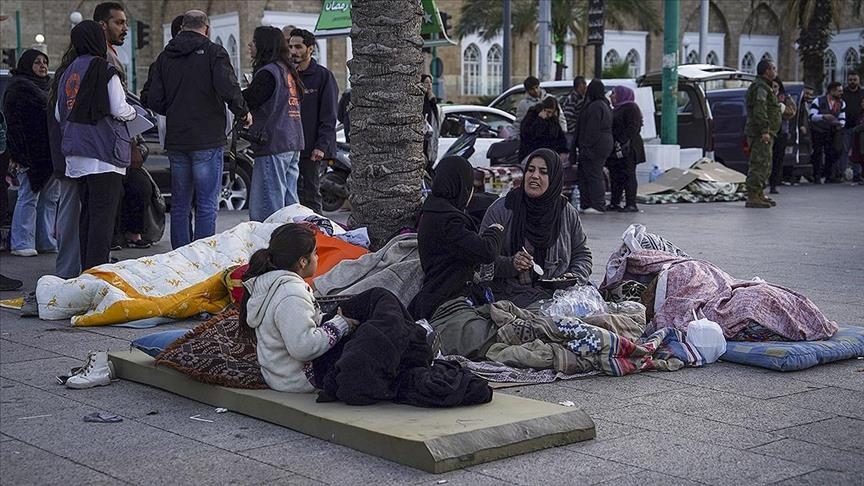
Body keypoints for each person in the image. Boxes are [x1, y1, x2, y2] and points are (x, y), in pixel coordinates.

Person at [144, 10, 251, 249]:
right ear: (207, 28)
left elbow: (153, 98)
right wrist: (243, 112)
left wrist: (175, 107)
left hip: (177, 138)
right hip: (207, 138)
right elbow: (228, 88)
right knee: (206, 203)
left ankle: (181, 255)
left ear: (182, 27)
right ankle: (202, 255)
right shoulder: (214, 52)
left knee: (180, 204)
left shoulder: (165, 57)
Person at [53, 20, 137, 270]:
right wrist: (134, 113)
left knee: (87, 216)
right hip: (103, 154)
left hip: (76, 154)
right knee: (103, 219)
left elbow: (59, 113)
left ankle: (86, 272)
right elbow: (118, 107)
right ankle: (97, 274)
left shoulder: (67, 72)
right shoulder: (104, 68)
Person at [242, 223, 359, 392]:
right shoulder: (291, 294)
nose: (317, 258)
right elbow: (304, 347)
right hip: (297, 379)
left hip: (280, 375)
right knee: (374, 306)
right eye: (315, 253)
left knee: (365, 305)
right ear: (303, 261)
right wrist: (340, 325)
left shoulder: (272, 283)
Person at [479, 148, 592, 308]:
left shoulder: (566, 212)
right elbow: (481, 259)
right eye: (530, 170)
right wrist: (511, 264)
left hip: (557, 296)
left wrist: (574, 277)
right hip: (509, 296)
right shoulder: (502, 209)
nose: (534, 176)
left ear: (554, 178)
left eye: (543, 172)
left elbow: (582, 254)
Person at [408, 156, 504, 320]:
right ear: (462, 186)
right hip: (447, 304)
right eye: (471, 186)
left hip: (441, 296)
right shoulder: (448, 222)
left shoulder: (433, 210)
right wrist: (494, 231)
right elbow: (486, 252)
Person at [243, 26, 305, 222]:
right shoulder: (287, 70)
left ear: (264, 45)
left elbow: (251, 99)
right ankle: (294, 238)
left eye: (254, 41)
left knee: (268, 208)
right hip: (292, 140)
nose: (250, 45)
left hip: (273, 142)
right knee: (290, 205)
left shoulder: (268, 73)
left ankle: (273, 239)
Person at [3, 49, 60, 257]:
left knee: (50, 198)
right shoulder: (19, 88)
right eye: (37, 62)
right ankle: (22, 242)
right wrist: (19, 154)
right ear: (27, 65)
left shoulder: (50, 87)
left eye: (45, 62)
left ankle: (45, 240)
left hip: (50, 152)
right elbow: (14, 125)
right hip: (29, 153)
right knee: (28, 197)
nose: (43, 66)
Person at [288, 28, 338, 214]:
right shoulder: (288, 75)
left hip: (312, 149)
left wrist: (321, 146)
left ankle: (318, 229)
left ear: (310, 49)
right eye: (291, 47)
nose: (293, 51)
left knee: (311, 194)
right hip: (290, 146)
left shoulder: (323, 76)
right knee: (292, 196)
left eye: (298, 47)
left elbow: (329, 115)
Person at [744, 59, 781, 208]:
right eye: (773, 68)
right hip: (760, 133)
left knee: (765, 164)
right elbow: (760, 110)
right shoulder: (760, 87)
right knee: (759, 163)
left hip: (767, 132)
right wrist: (764, 130)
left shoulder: (766, 87)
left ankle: (759, 193)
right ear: (767, 71)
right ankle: (753, 195)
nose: (775, 71)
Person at [574, 79, 614, 214]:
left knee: (592, 174)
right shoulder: (605, 105)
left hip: (594, 146)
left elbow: (592, 129)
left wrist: (584, 146)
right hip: (604, 144)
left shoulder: (595, 107)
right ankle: (591, 203)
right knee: (592, 173)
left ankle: (597, 204)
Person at [607, 85, 645, 212]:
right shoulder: (616, 109)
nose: (611, 96)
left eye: (614, 93)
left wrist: (621, 140)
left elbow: (633, 127)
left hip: (629, 148)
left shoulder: (631, 108)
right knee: (616, 175)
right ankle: (615, 202)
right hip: (617, 148)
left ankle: (631, 203)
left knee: (628, 174)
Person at [809, 81, 846, 184]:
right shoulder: (818, 101)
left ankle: (829, 176)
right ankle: (817, 176)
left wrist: (841, 124)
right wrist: (823, 117)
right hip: (818, 131)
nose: (841, 93)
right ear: (832, 91)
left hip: (832, 131)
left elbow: (842, 117)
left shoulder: (841, 103)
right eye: (839, 91)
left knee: (831, 153)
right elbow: (812, 116)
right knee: (817, 153)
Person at [518, 96, 568, 162]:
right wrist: (540, 120)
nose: (549, 115)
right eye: (548, 112)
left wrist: (563, 150)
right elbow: (530, 135)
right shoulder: (531, 117)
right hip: (532, 152)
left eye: (551, 112)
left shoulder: (553, 120)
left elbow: (560, 137)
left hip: (549, 153)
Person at [768, 79, 796, 194]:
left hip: (781, 131)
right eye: (771, 86)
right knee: (767, 159)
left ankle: (774, 184)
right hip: (768, 131)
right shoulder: (766, 97)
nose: (773, 89)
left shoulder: (785, 97)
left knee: (778, 159)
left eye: (775, 86)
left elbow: (792, 111)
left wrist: (782, 108)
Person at [93, 2, 128, 88]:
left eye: (125, 23)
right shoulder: (106, 57)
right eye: (119, 23)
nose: (125, 28)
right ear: (102, 25)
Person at [842, 72, 862, 183]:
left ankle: (857, 174)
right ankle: (843, 173)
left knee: (857, 151)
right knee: (844, 151)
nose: (852, 82)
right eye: (850, 80)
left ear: (859, 81)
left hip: (859, 128)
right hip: (846, 127)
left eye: (855, 79)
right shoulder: (843, 93)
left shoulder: (862, 93)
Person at [562, 75, 587, 146]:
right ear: (579, 87)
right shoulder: (573, 99)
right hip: (572, 132)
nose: (585, 87)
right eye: (583, 85)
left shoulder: (581, 98)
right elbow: (567, 117)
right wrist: (574, 129)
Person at [421, 74, 440, 167]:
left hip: (431, 137)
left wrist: (432, 100)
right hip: (423, 138)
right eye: (426, 82)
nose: (429, 85)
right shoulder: (421, 101)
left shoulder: (431, 100)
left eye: (430, 82)